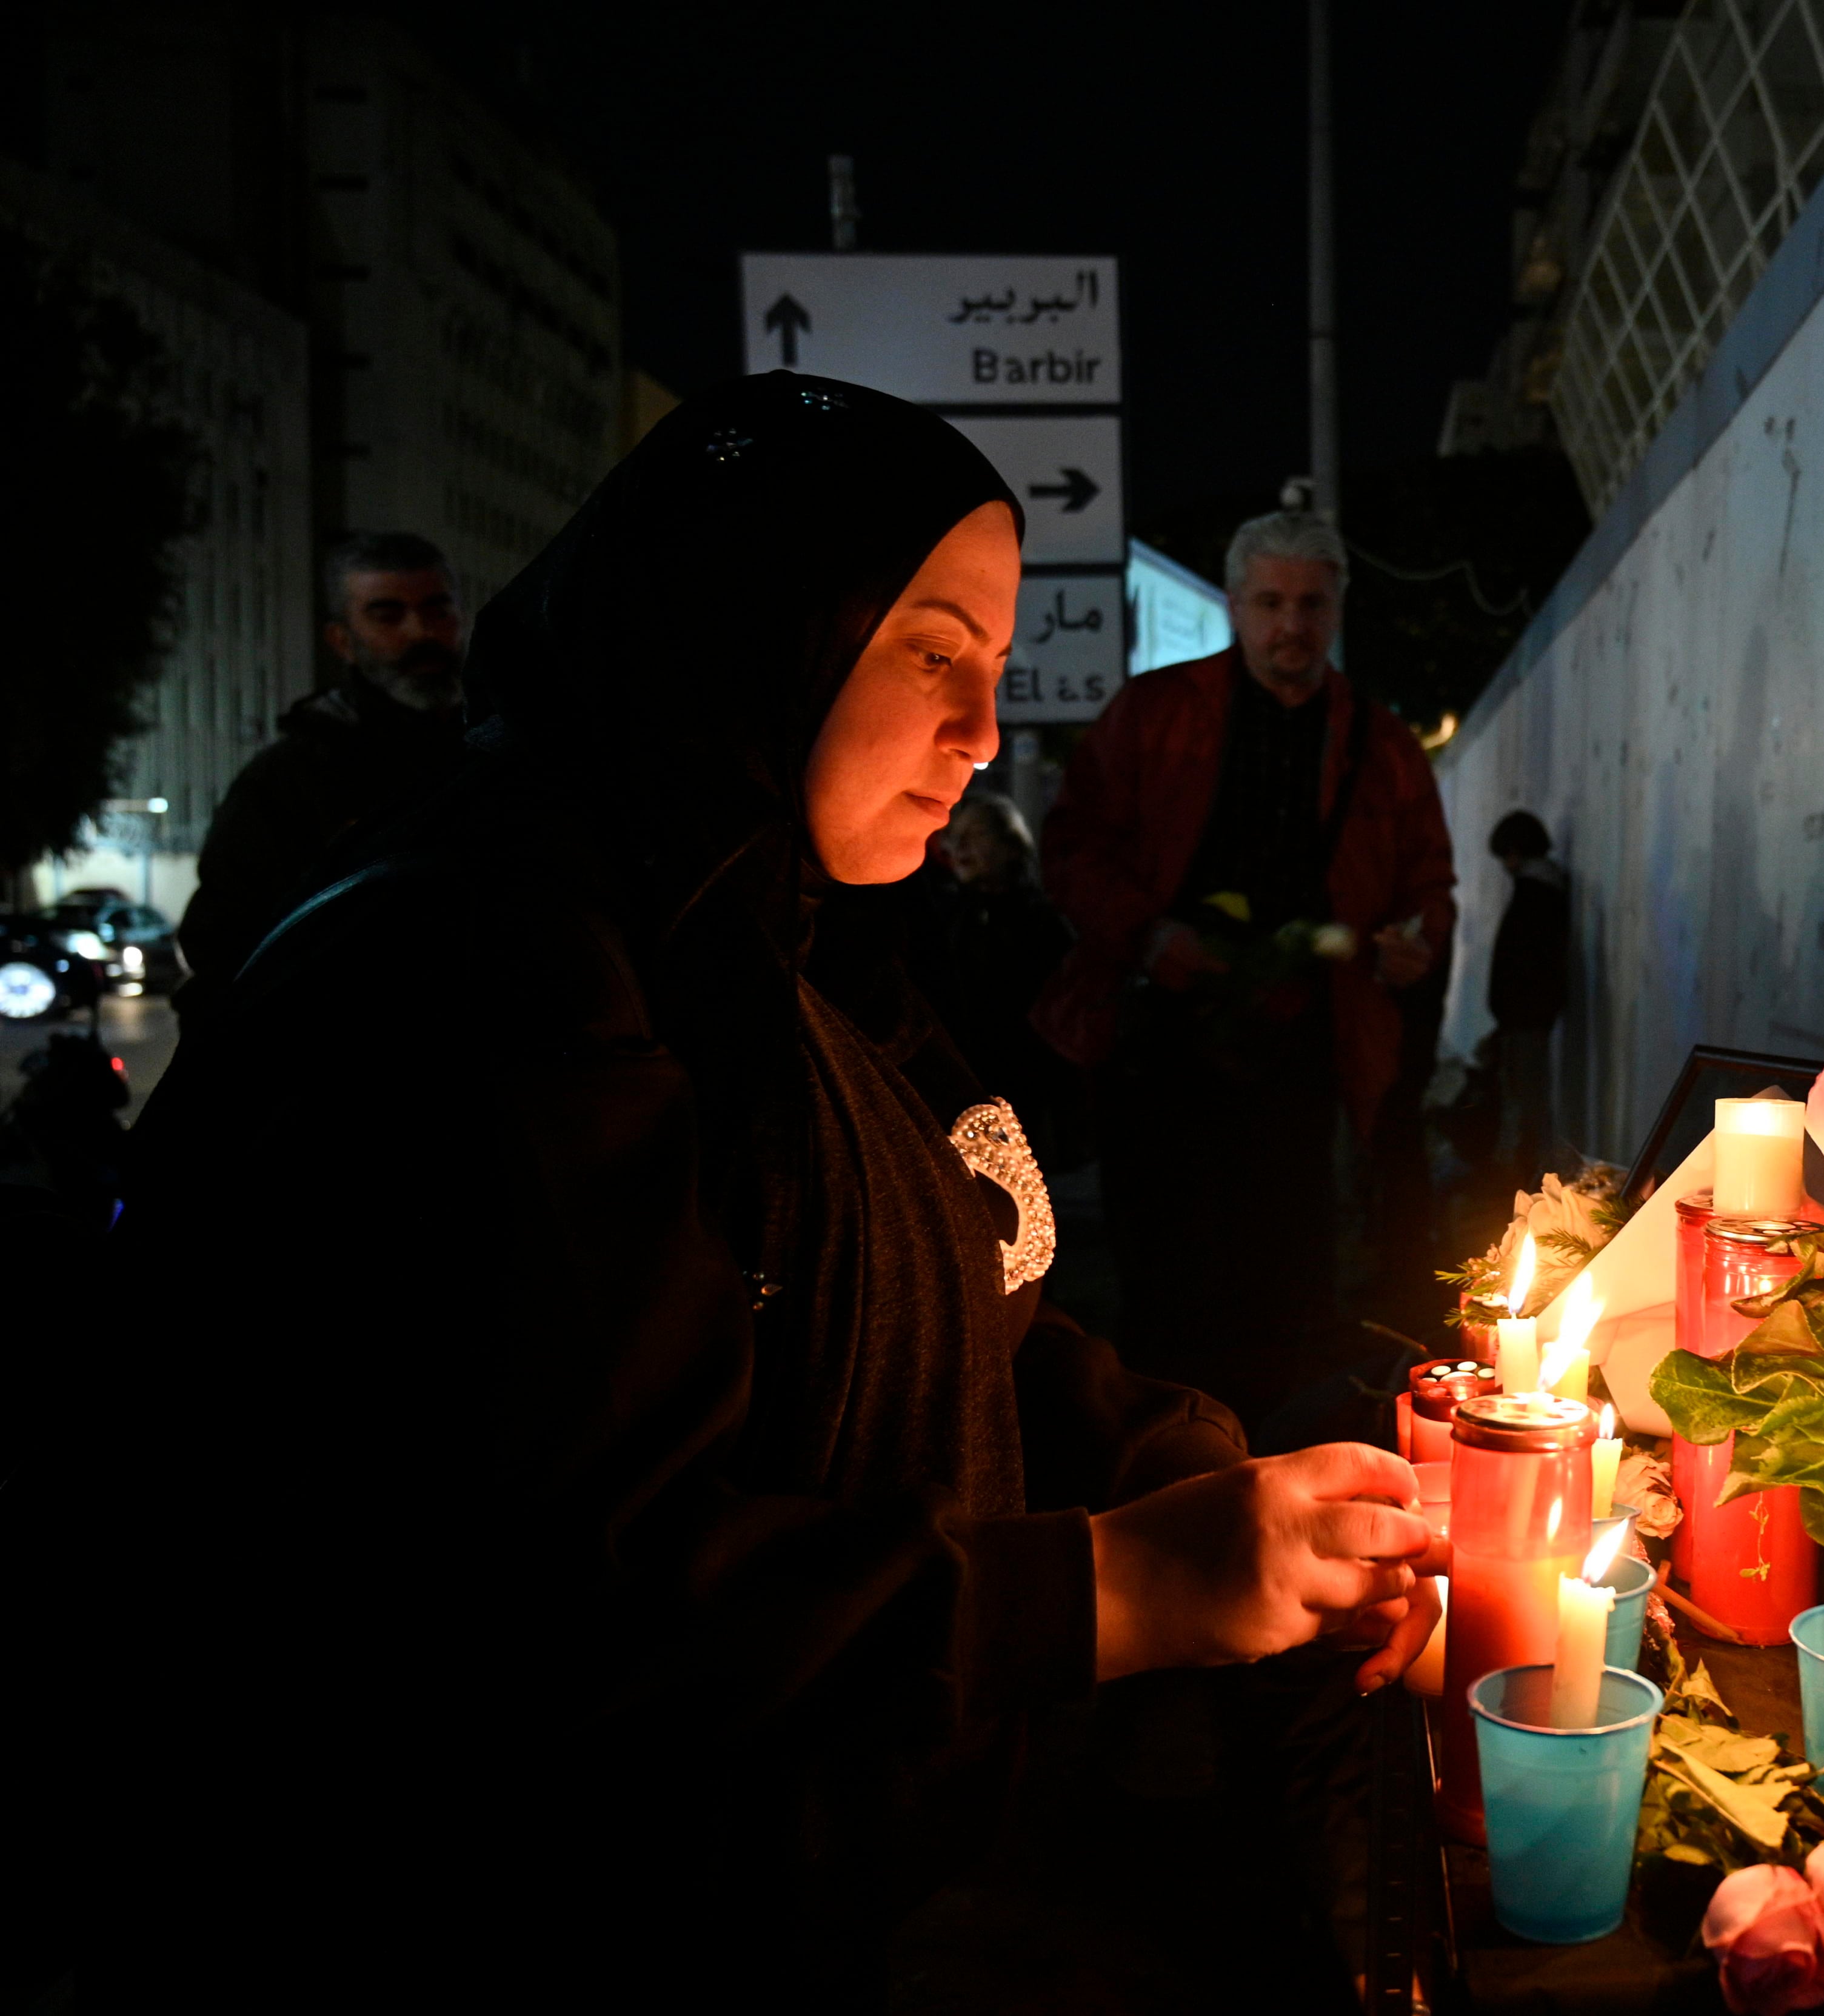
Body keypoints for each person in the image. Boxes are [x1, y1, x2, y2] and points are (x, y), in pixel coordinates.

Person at [107, 376, 1441, 2014]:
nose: (975, 731)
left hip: (822, 1882)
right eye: (929, 649)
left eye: (997, 671)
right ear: (759, 624)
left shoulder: (786, 934)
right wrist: (1117, 1585)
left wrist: (1236, 1491)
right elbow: (571, 1596)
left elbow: (973, 1278)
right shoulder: (496, 972)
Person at [1035, 510, 1454, 1427]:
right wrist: (1147, 934)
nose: (1290, 624)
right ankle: (1161, 1469)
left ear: (1338, 606)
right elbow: (1070, 848)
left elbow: (1429, 881)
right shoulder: (1153, 715)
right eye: (1270, 601)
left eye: (1309, 602)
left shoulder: (1380, 745)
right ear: (1234, 603)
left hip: (1303, 1054)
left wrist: (1413, 936)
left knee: (1285, 1282)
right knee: (1164, 1281)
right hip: (1160, 1047)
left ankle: (1262, 1463)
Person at [173, 530, 469, 1019]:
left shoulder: (502, 752)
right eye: (388, 614)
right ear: (341, 640)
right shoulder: (288, 780)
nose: (421, 632)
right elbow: (223, 945)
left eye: (438, 610)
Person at [907, 793, 1089, 1170]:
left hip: (1025, 1082)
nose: (960, 847)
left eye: (976, 835)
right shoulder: (945, 916)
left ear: (1009, 846)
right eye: (956, 836)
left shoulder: (1043, 923)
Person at [1485, 810, 1568, 1182]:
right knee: (1531, 1099)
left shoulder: (1534, 893)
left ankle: (1531, 1180)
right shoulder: (1547, 889)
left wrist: (1506, 1011)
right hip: (1533, 1014)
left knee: (1528, 1100)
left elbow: (1521, 961)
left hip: (1526, 1016)